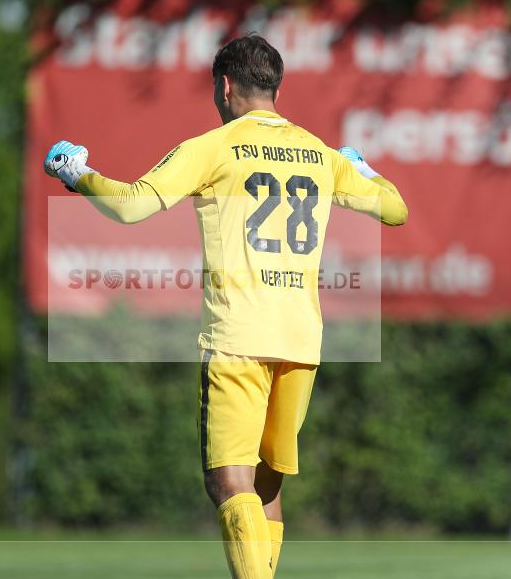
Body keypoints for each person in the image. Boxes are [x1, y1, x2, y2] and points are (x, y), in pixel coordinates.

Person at [43, 34, 408, 578]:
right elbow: (397, 211)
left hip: (238, 336)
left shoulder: (214, 146)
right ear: (276, 88)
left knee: (227, 481)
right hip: (302, 341)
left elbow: (130, 207)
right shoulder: (320, 155)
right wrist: (365, 169)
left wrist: (76, 174)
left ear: (226, 85)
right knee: (265, 484)